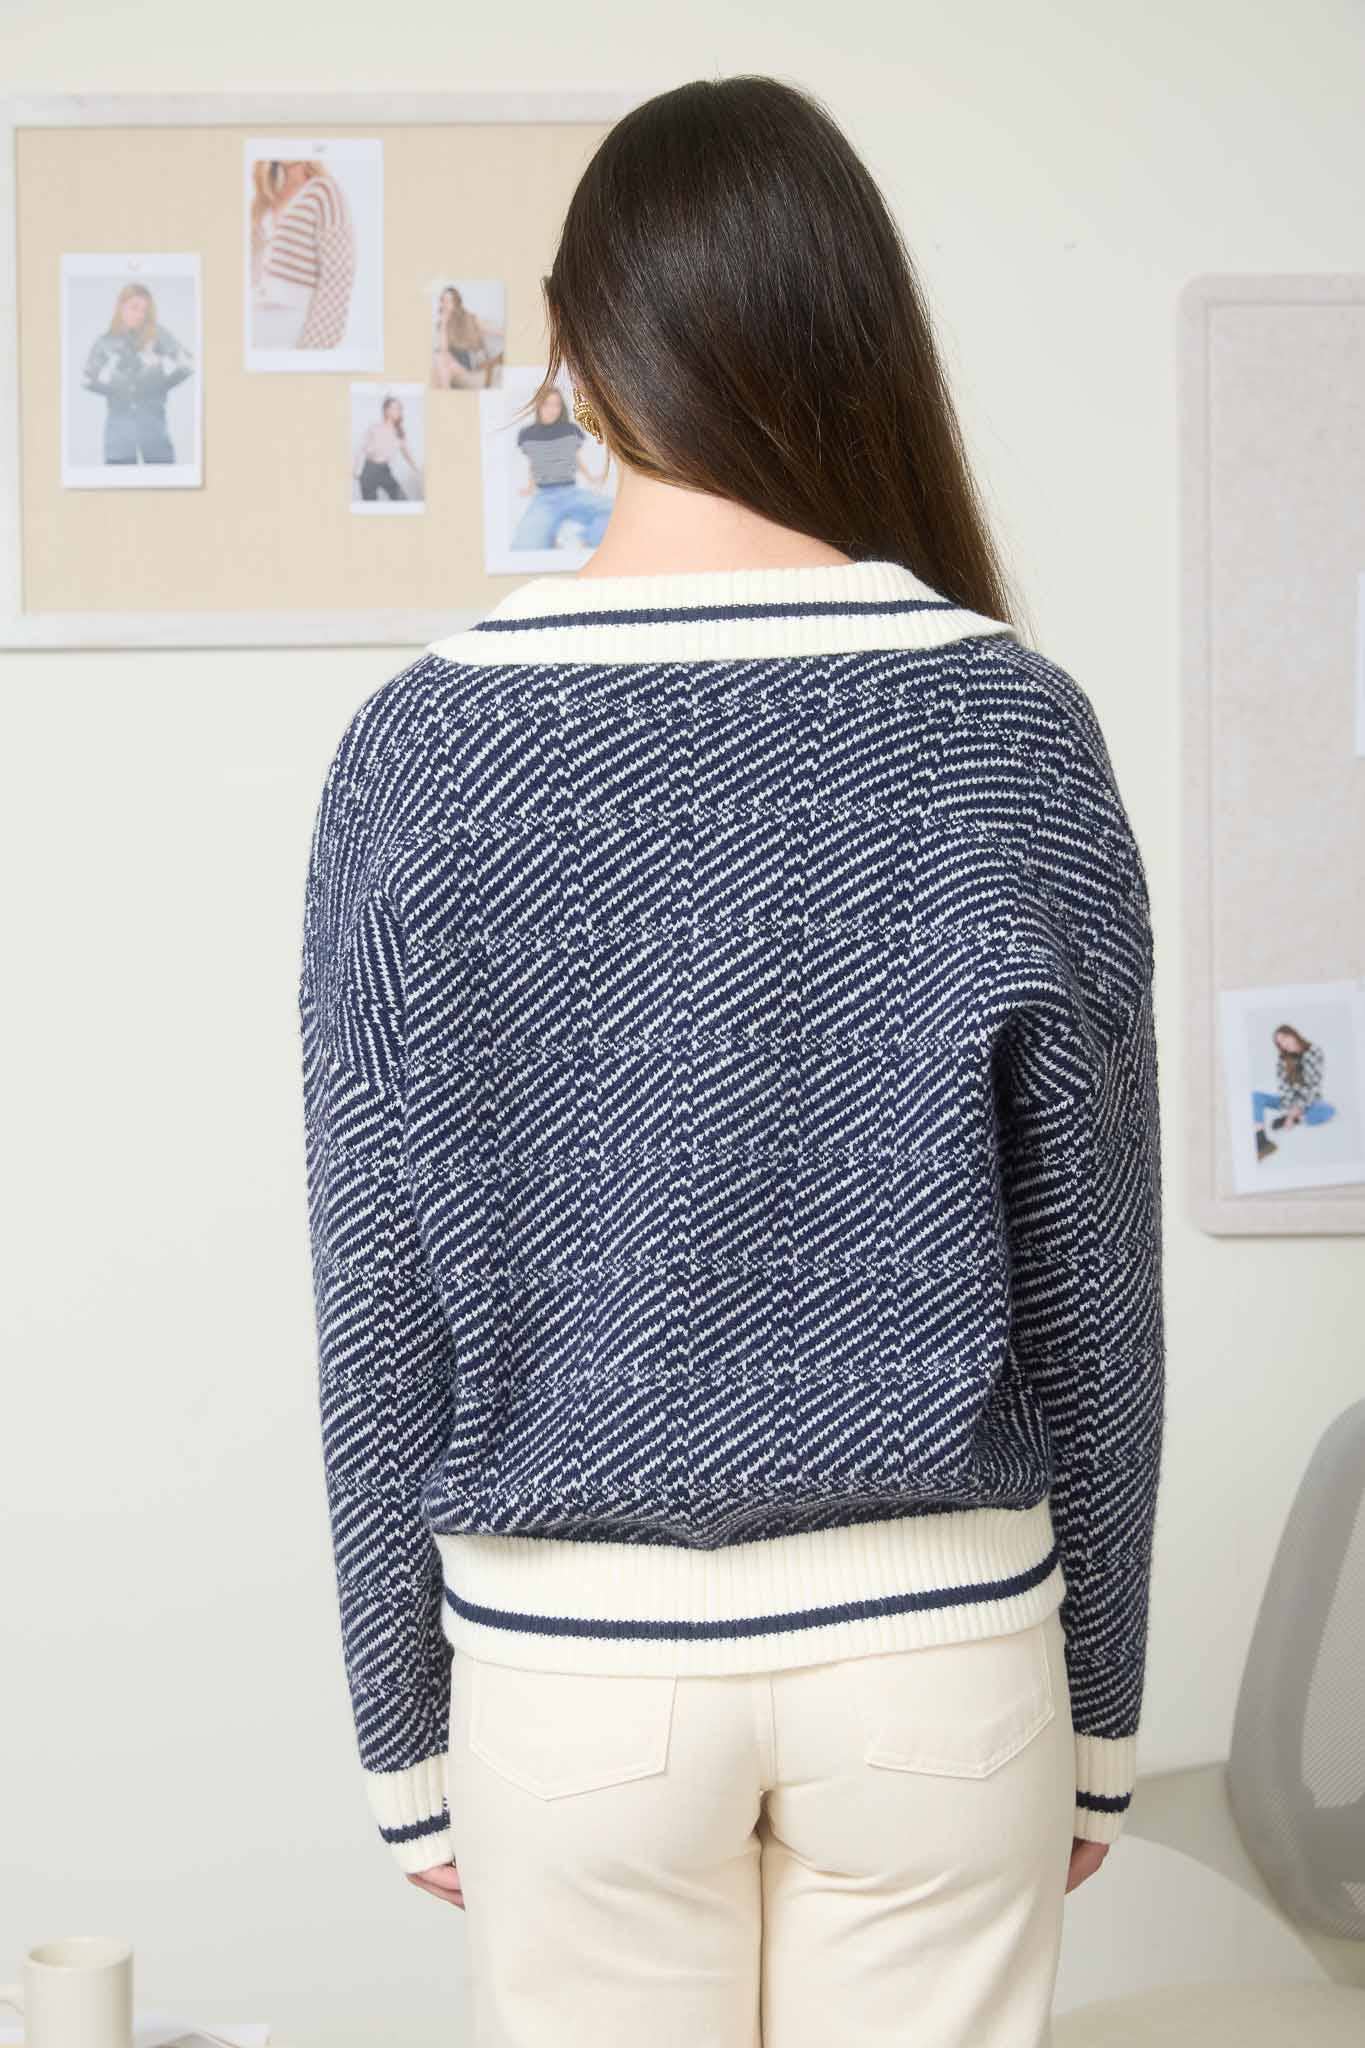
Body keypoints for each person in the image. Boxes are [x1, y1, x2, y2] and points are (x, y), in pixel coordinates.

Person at [298, 74, 1166, 2048]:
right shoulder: (1009, 726)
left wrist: (402, 1729)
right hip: (938, 1666)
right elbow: (1092, 1296)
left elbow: (377, 1291)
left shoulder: (418, 754)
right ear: (855, 332)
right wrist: (1101, 1712)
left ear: (573, 349)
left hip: (575, 1678)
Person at [80, 282, 193, 466]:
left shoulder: (157, 335)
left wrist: (161, 385)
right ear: (121, 307)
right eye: (134, 308)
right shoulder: (105, 342)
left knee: (164, 479)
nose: (139, 315)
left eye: (144, 310)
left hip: (154, 430)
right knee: (119, 481)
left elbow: (188, 364)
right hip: (119, 433)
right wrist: (113, 391)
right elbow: (85, 379)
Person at [249, 157, 355, 352]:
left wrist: (315, 349)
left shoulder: (323, 192)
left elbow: (338, 273)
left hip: (295, 326)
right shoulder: (263, 200)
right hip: (256, 326)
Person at [510, 383, 613, 549]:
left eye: (556, 404)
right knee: (525, 546)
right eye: (547, 404)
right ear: (538, 405)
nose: (552, 409)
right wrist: (530, 487)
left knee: (615, 512)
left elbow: (575, 458)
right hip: (545, 497)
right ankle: (551, 537)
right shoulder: (527, 435)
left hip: (571, 492)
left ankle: (581, 539)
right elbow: (533, 463)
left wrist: (590, 477)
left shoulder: (571, 430)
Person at [1253, 1022, 1335, 1160]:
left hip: (1309, 1101)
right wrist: (1289, 1106)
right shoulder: (1283, 1058)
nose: (1284, 1044)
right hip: (1289, 1100)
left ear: (1293, 1034)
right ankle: (1261, 1139)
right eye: (1280, 1043)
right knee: (1256, 1096)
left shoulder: (1313, 1051)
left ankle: (1297, 1119)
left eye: (1285, 1038)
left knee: (1328, 1111)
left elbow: (1313, 1087)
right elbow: (1284, 1087)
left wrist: (1293, 1115)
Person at [431, 284, 505, 389]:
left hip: (468, 358)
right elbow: (444, 350)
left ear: (456, 302)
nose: (445, 304)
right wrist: (444, 323)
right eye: (443, 300)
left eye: (449, 301)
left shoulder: (470, 317)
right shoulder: (441, 324)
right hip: (453, 360)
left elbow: (488, 329)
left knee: (440, 361)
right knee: (441, 363)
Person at [354, 393, 420, 503]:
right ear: (386, 410)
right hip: (369, 470)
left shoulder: (399, 432)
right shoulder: (375, 427)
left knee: (402, 499)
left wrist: (416, 468)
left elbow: (406, 452)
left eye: (399, 408)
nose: (398, 411)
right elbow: (361, 449)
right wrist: (356, 470)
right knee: (371, 507)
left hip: (385, 470)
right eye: (395, 408)